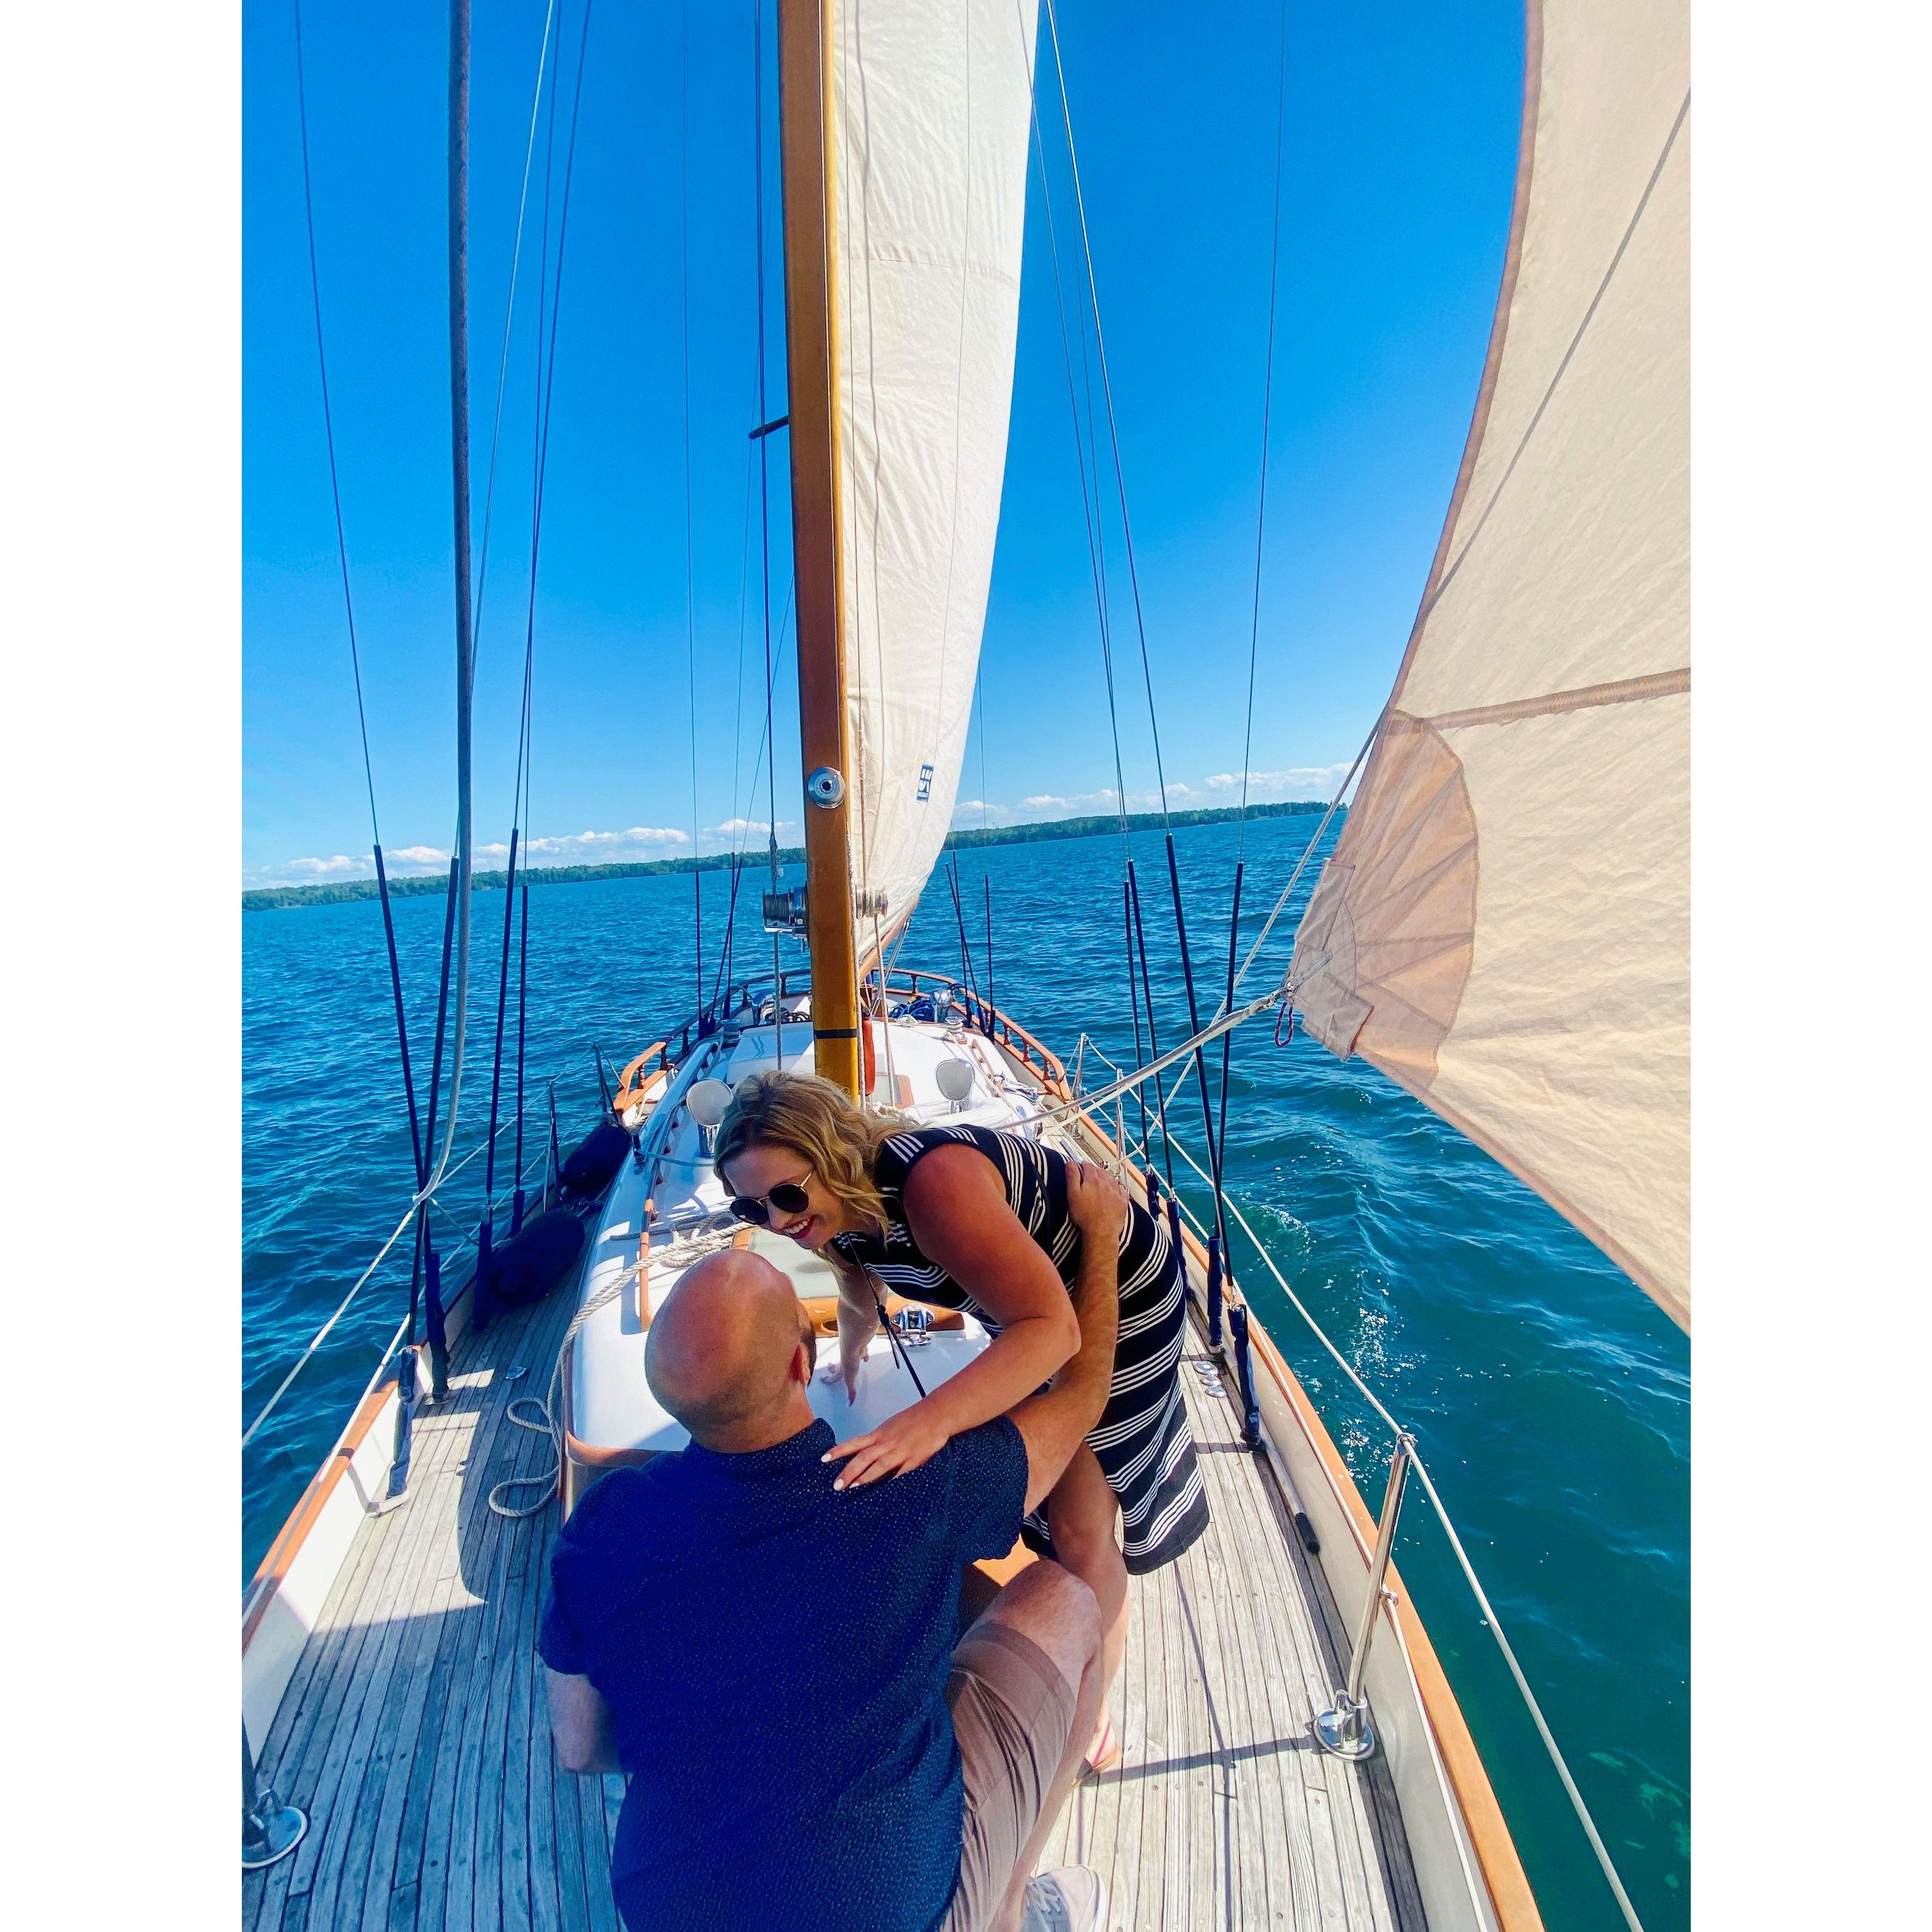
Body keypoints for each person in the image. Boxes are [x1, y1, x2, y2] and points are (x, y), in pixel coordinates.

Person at [538, 1160, 1130, 1932]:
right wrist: (1097, 1237)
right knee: (1061, 1595)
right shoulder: (910, 1490)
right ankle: (1008, 1910)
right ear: (800, 1361)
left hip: (668, 1912)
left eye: (782, 1198)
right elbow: (1081, 1394)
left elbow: (580, 1748)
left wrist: (720, 1729)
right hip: (905, 1910)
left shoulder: (602, 1527)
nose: (775, 1215)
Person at [715, 1072, 1209, 1779]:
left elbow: (1052, 1329)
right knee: (1058, 1489)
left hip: (1114, 1292)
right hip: (1030, 1304)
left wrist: (927, 1423)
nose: (777, 1219)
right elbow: (857, 1272)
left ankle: (1088, 1710)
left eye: (788, 1194)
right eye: (751, 1206)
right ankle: (1076, 1664)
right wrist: (853, 1348)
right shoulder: (837, 1211)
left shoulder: (932, 1184)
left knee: (1079, 1519)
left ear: (833, 1156)